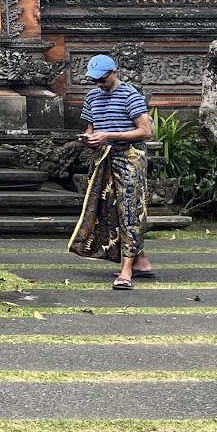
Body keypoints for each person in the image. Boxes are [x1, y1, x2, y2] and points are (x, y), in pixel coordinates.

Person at [68, 53, 155, 289]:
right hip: (103, 157)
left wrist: (110, 136)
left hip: (129, 157)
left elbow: (146, 131)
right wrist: (89, 139)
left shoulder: (130, 95)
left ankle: (126, 271)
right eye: (95, 80)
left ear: (114, 72)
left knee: (130, 209)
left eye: (102, 79)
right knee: (109, 210)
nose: (99, 84)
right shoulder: (92, 97)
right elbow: (91, 128)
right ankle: (141, 261)